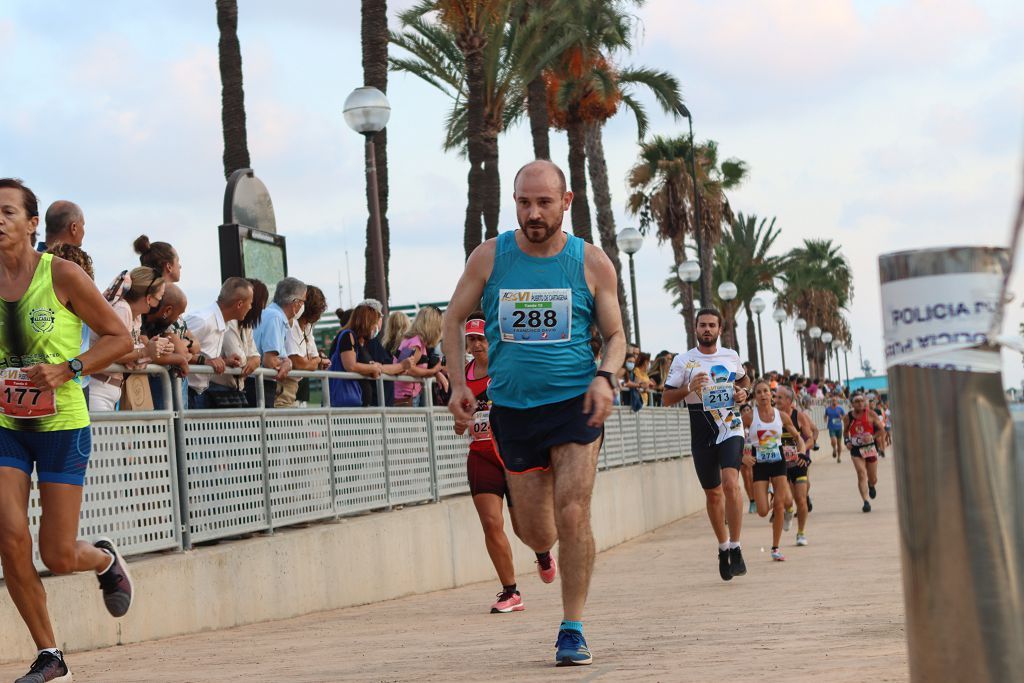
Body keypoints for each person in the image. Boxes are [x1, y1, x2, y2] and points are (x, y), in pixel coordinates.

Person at [443, 160, 624, 667]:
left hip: (575, 405)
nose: (533, 212)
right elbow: (454, 319)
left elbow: (615, 336)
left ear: (566, 203)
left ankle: (572, 626)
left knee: (573, 512)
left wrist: (605, 377)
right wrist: (458, 382)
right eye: (524, 202)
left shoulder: (591, 263)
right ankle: (543, 554)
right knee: (537, 529)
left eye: (544, 202)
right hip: (514, 411)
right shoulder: (489, 258)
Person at [0, 178, 133, 683]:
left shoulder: (62, 275)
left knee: (56, 554)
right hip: (5, 424)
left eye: (8, 211)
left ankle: (101, 559)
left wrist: (69, 369)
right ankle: (50, 656)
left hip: (60, 423)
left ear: (33, 225)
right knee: (10, 536)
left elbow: (119, 338)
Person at [662, 308, 751, 582]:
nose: (707, 329)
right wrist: (689, 388)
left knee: (730, 483)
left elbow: (744, 380)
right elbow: (666, 398)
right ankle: (723, 546)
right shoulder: (684, 360)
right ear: (695, 328)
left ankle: (736, 546)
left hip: (729, 425)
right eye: (703, 325)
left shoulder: (731, 356)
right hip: (701, 430)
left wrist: (743, 391)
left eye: (712, 325)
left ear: (720, 329)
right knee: (713, 495)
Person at [452, 314, 523, 613]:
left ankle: (543, 552)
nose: (477, 344)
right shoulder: (463, 375)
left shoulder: (505, 369)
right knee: (492, 524)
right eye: (472, 339)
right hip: (481, 455)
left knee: (525, 527)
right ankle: (510, 592)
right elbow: (462, 413)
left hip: (512, 453)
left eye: (481, 338)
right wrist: (460, 423)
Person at [88, 268, 170, 411]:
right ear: (149, 298)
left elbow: (130, 350)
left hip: (108, 388)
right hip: (98, 388)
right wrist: (145, 351)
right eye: (160, 297)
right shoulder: (122, 309)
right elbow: (115, 352)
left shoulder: (134, 315)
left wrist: (156, 348)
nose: (160, 302)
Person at [741, 380, 804, 561]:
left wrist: (799, 451)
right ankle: (769, 492)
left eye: (766, 391)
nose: (762, 395)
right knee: (762, 511)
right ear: (755, 396)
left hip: (778, 462)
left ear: (771, 395)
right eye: (759, 392)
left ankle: (775, 548)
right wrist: (742, 457)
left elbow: (797, 436)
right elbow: (733, 437)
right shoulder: (749, 417)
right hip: (759, 464)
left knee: (779, 505)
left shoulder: (781, 416)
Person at [183, 277, 253, 408]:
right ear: (239, 304)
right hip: (187, 392)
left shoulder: (219, 321)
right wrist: (207, 362)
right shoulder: (204, 320)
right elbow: (177, 352)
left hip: (197, 392)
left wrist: (224, 361)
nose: (250, 307)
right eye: (250, 303)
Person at [329, 304, 406, 407]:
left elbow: (370, 370)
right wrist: (373, 368)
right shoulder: (348, 336)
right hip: (346, 402)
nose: (376, 327)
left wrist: (373, 368)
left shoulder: (362, 341)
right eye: (374, 322)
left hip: (360, 402)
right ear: (366, 322)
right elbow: (351, 366)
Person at [210, 278, 266, 407]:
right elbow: (238, 359)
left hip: (235, 389)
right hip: (219, 389)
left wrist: (254, 360)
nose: (262, 308)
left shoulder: (246, 325)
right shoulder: (228, 322)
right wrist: (252, 361)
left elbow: (257, 357)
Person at [253, 277, 305, 408]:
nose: (302, 306)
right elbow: (270, 361)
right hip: (260, 385)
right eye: (303, 301)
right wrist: (287, 363)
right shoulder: (275, 318)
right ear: (296, 302)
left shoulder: (268, 314)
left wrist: (287, 361)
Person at [776, 385, 816, 546]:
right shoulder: (771, 415)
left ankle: (801, 533)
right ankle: (789, 510)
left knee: (801, 498)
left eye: (779, 397)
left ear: (789, 400)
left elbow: (811, 438)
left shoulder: (799, 416)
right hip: (780, 463)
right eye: (776, 397)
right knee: (786, 499)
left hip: (798, 462)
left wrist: (802, 451)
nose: (776, 400)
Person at [278, 285, 330, 408]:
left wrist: (315, 361)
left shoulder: (307, 327)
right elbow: (299, 364)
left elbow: (312, 360)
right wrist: (317, 361)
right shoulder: (291, 325)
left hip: (294, 388)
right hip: (282, 387)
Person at [393, 305, 447, 407]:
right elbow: (407, 368)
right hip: (406, 397)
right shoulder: (416, 343)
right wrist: (432, 371)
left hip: (405, 396)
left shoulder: (413, 339)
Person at [844, 393, 886, 512]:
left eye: (862, 401)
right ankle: (865, 501)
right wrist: (847, 442)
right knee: (861, 473)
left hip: (869, 448)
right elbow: (845, 432)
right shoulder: (848, 417)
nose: (860, 403)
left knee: (873, 478)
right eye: (857, 401)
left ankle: (871, 485)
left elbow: (882, 430)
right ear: (852, 404)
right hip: (856, 449)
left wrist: (872, 437)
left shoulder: (871, 414)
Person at [738, 402, 757, 514]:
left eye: (748, 410)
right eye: (744, 410)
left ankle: (758, 497)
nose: (746, 412)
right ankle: (752, 501)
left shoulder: (754, 423)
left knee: (753, 476)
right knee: (746, 477)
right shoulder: (739, 423)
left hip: (753, 452)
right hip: (742, 453)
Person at [824, 394, 845, 462]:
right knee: (833, 440)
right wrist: (825, 420)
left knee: (839, 443)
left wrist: (841, 417)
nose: (834, 401)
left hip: (839, 427)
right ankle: (834, 449)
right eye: (832, 400)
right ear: (831, 401)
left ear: (837, 401)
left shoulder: (840, 408)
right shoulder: (828, 409)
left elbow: (844, 417)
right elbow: (825, 415)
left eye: (835, 400)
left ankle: (839, 457)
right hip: (831, 427)